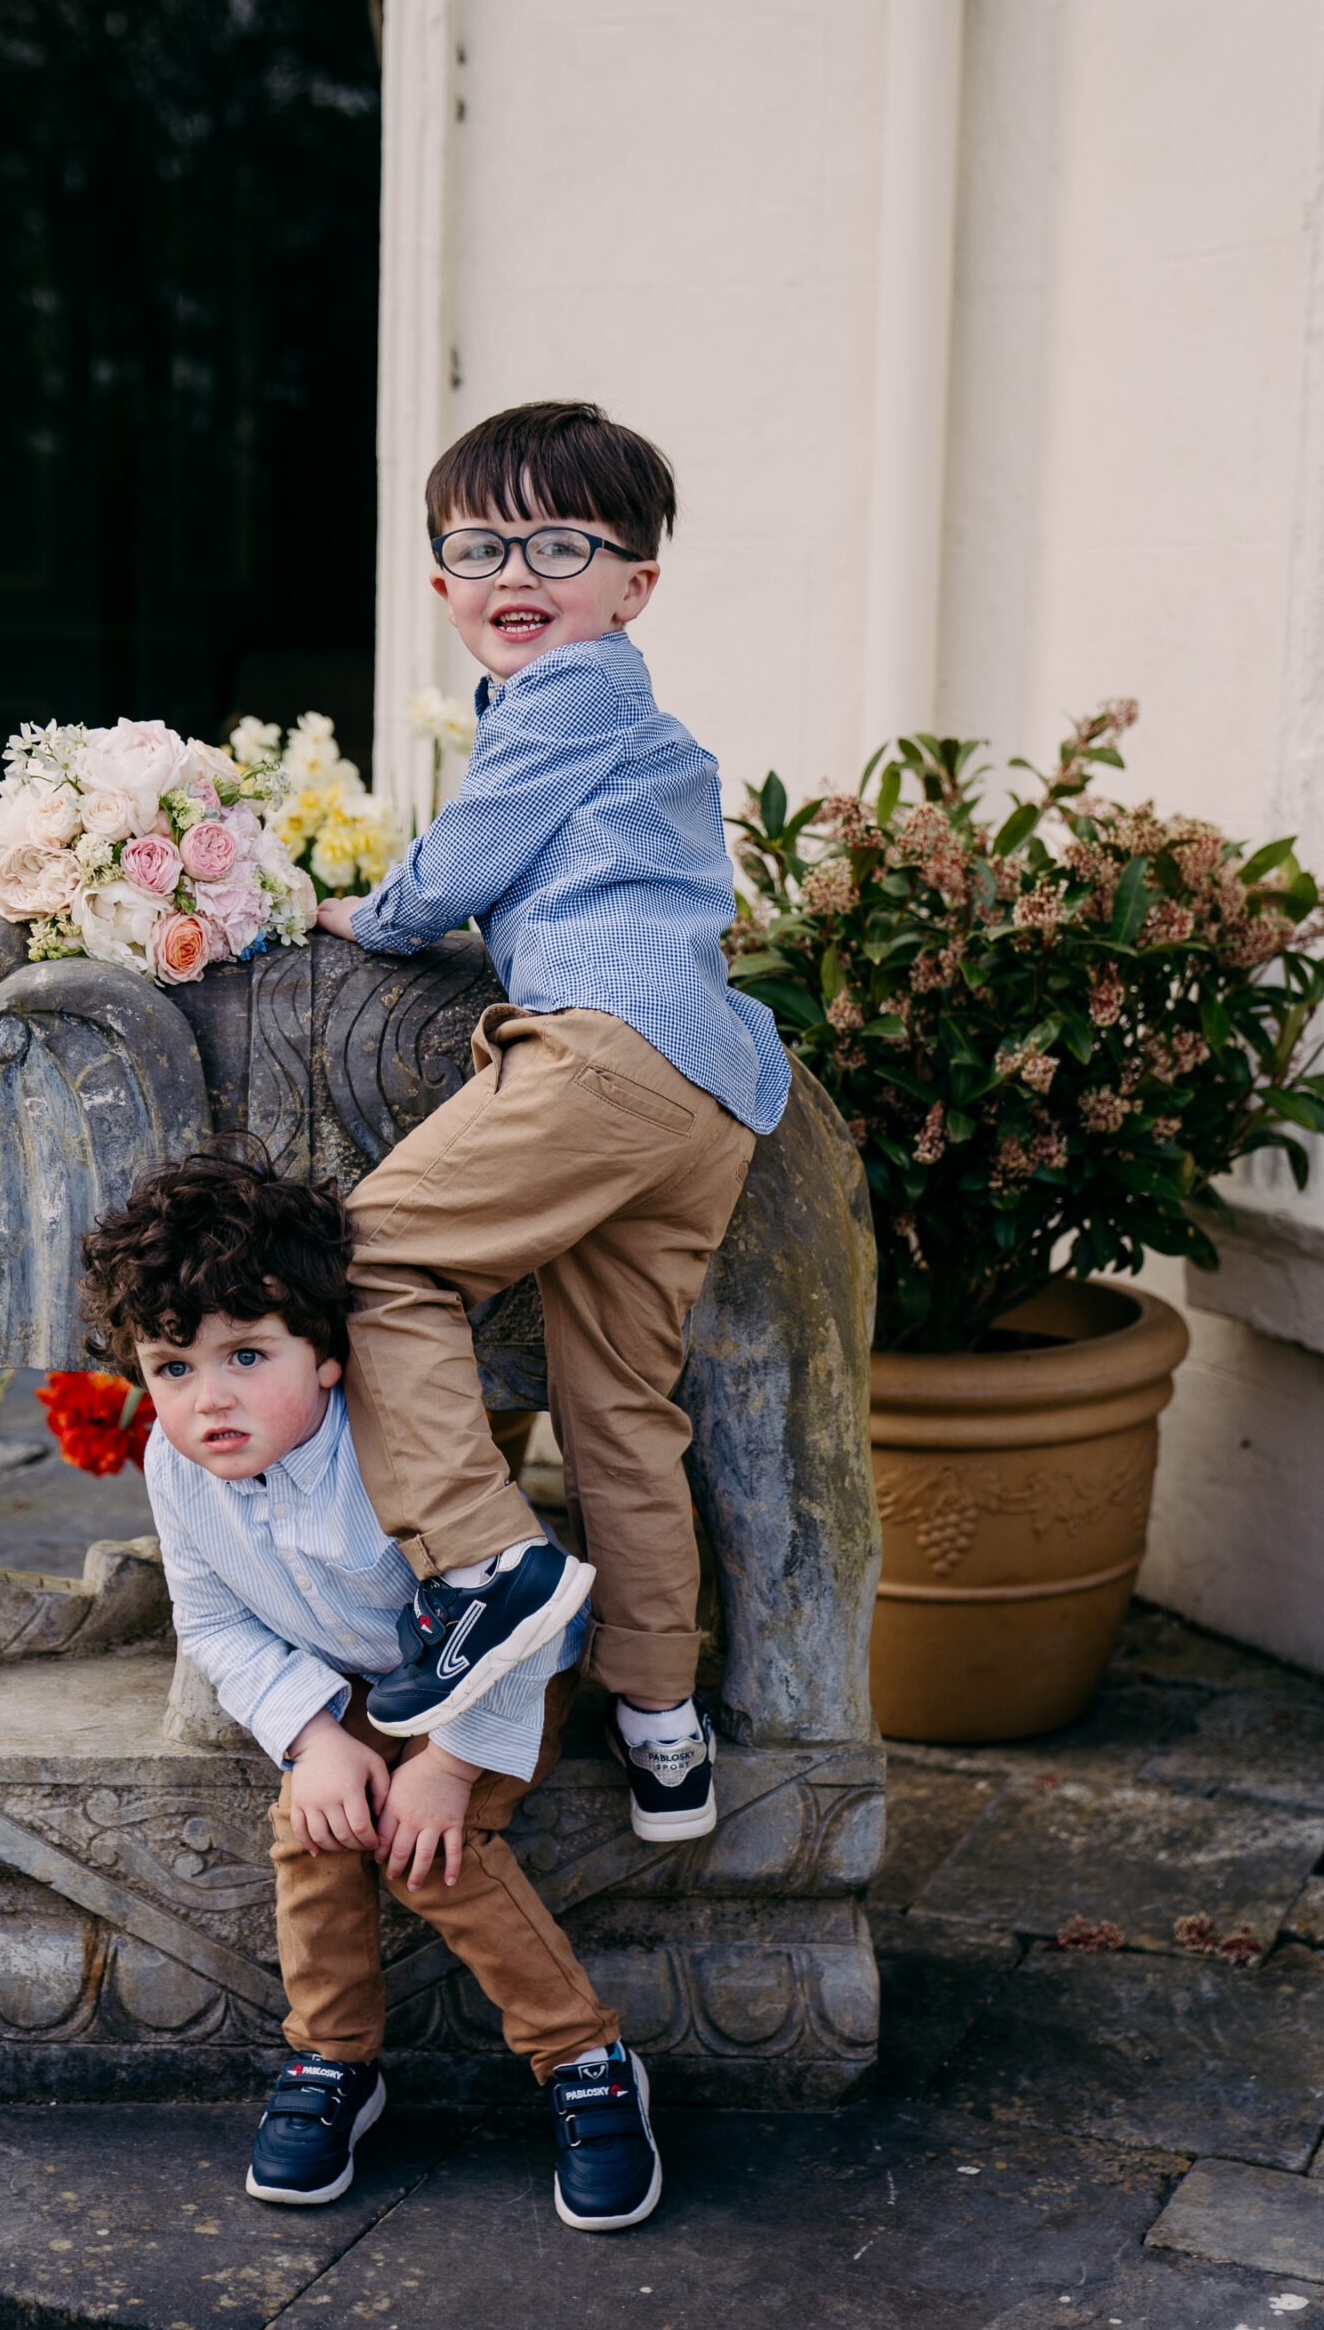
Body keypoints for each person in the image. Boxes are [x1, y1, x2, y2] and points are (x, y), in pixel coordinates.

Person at [313, 400, 790, 1842]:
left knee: (371, 1251)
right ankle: (660, 1721)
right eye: (479, 543)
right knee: (617, 1410)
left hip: (602, 1051)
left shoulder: (578, 690)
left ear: (632, 582)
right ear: (441, 578)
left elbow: (468, 856)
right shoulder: (608, 709)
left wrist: (368, 912)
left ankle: (482, 1567)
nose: (516, 571)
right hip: (704, 1094)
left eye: (561, 543)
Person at [79, 1141, 662, 2230]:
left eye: (247, 1355)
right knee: (316, 1825)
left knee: (428, 1852)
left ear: (328, 1354)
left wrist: (446, 1765)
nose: (209, 1400)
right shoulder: (178, 1468)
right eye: (174, 1367)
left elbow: (522, 1612)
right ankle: (332, 2062)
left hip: (503, 1665)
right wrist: (311, 1738)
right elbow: (211, 1618)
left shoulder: (397, 1444)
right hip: (352, 1677)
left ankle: (587, 2059)